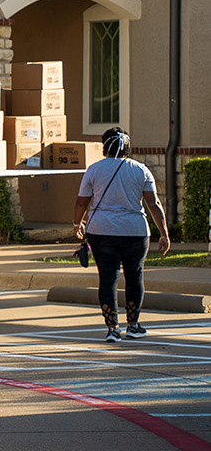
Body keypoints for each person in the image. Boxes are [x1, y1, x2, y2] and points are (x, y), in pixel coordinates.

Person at [72, 128, 171, 343]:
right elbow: (153, 203)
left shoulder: (94, 170)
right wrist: (163, 233)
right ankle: (133, 325)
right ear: (127, 147)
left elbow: (82, 201)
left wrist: (77, 222)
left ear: (104, 147)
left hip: (101, 230)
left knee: (108, 278)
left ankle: (112, 329)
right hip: (135, 231)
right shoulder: (141, 170)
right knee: (134, 276)